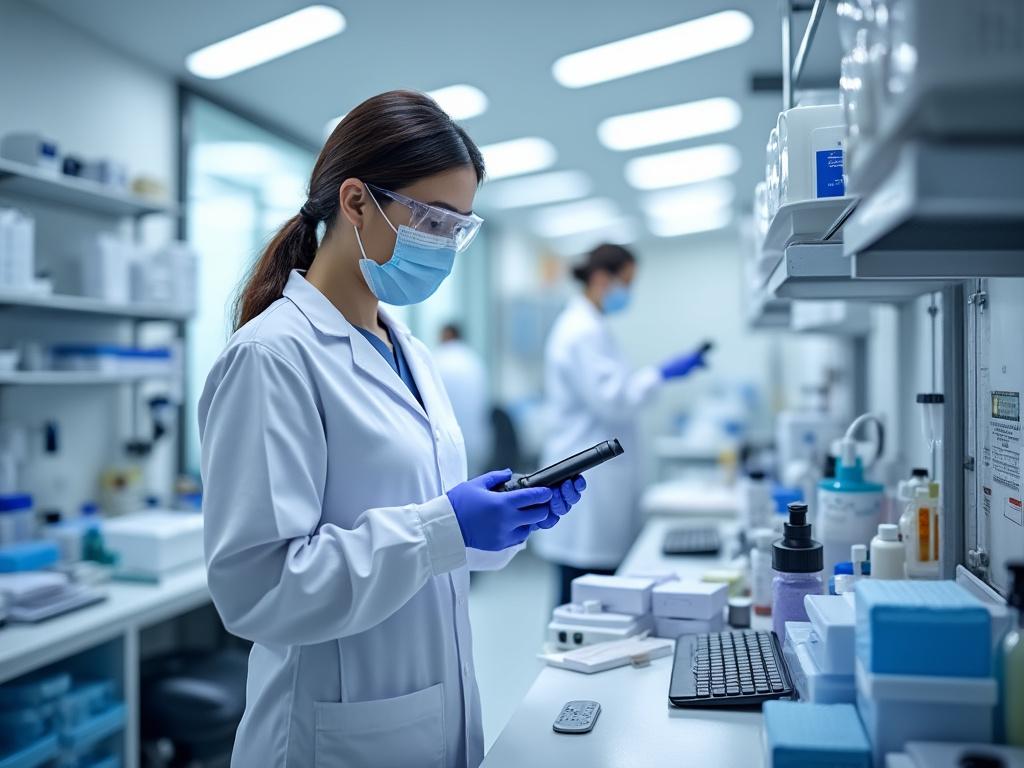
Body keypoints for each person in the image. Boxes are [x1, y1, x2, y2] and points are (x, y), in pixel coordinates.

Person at [198, 90, 586, 768]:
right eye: (434, 219)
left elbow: (432, 540)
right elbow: (258, 589)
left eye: (459, 228)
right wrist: (446, 528)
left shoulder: (410, 351)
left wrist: (502, 523)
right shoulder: (272, 356)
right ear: (355, 203)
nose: (445, 244)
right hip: (329, 734)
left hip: (428, 709)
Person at [532, 244, 710, 605]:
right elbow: (614, 400)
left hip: (594, 478)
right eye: (625, 283)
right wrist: (660, 373)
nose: (628, 293)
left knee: (587, 595)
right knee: (582, 600)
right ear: (601, 278)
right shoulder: (582, 330)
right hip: (586, 479)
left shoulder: (591, 325)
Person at [434, 323, 492, 476]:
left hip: (447, 444)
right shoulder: (474, 360)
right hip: (477, 441)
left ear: (446, 335)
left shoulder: (437, 359)